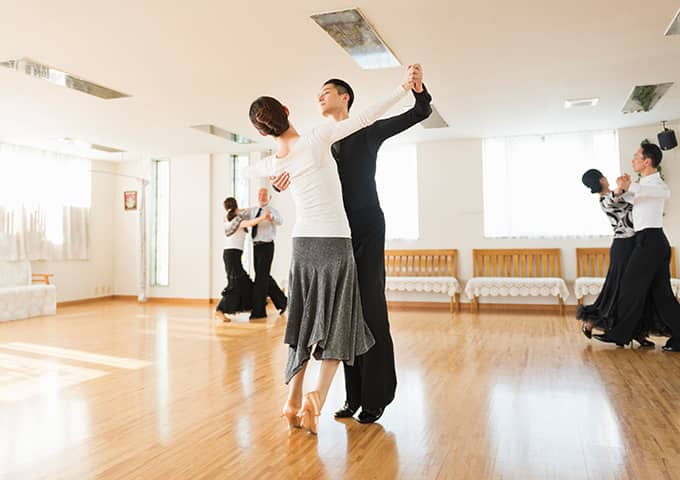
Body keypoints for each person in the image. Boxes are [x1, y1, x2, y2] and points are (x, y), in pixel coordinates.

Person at [247, 65, 417, 434]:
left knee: (329, 318)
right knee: (340, 321)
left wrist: (411, 90)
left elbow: (255, 169)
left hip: (336, 236)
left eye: (326, 91)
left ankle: (322, 399)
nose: (320, 96)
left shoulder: (304, 147)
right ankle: (329, 398)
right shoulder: (317, 138)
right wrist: (401, 88)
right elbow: (293, 168)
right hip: (335, 238)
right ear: (287, 112)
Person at [594, 142, 680, 351]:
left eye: (636, 156)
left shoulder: (657, 184)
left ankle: (620, 334)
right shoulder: (642, 185)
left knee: (629, 287)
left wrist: (629, 185)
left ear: (647, 161)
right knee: (662, 295)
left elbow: (663, 193)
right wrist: (620, 188)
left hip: (652, 242)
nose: (633, 160)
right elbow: (621, 198)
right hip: (649, 242)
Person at [215, 197, 271, 321]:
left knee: (243, 282)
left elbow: (241, 210)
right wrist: (263, 217)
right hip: (231, 256)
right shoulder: (237, 221)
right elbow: (250, 223)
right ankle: (220, 310)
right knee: (234, 284)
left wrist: (257, 207)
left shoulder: (228, 219)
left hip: (232, 255)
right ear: (235, 206)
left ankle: (252, 306)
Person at [244, 188, 287, 319]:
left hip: (267, 246)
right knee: (263, 276)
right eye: (260, 194)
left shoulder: (272, 211)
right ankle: (283, 302)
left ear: (269, 198)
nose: (261, 196)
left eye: (264, 195)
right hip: (255, 247)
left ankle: (259, 312)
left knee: (261, 278)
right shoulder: (253, 210)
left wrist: (271, 217)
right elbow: (241, 216)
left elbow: (280, 221)